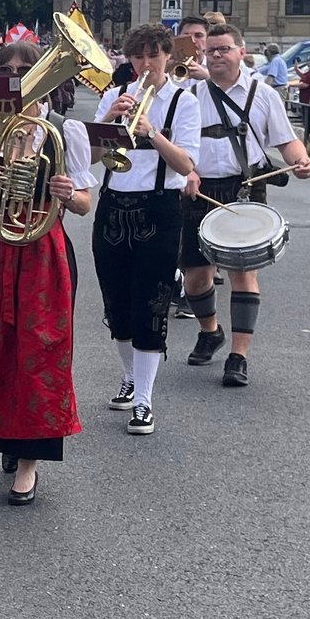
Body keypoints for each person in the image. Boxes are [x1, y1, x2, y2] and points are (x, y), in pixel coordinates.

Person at [0, 41, 94, 504]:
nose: (15, 75)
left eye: (25, 68)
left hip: (41, 250)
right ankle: (7, 439)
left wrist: (67, 192)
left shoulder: (62, 129)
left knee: (39, 352)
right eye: (7, 68)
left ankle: (29, 462)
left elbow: (85, 203)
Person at [180, 23, 310, 387]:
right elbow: (174, 142)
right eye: (211, 51)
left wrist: (301, 161)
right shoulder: (189, 91)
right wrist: (186, 171)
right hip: (198, 189)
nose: (216, 56)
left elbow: (287, 142)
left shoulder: (263, 93)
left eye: (224, 49)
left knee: (243, 272)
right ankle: (210, 331)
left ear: (241, 52)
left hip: (245, 189)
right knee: (195, 277)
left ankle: (238, 357)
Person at [91, 24, 201, 435]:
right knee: (116, 305)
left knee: (150, 304)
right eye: (139, 56)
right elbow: (92, 156)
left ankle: (144, 401)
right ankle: (131, 376)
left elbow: (187, 164)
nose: (146, 64)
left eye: (154, 55)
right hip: (113, 207)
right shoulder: (114, 96)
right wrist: (108, 118)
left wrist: (151, 132)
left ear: (167, 57)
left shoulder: (183, 102)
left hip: (159, 209)